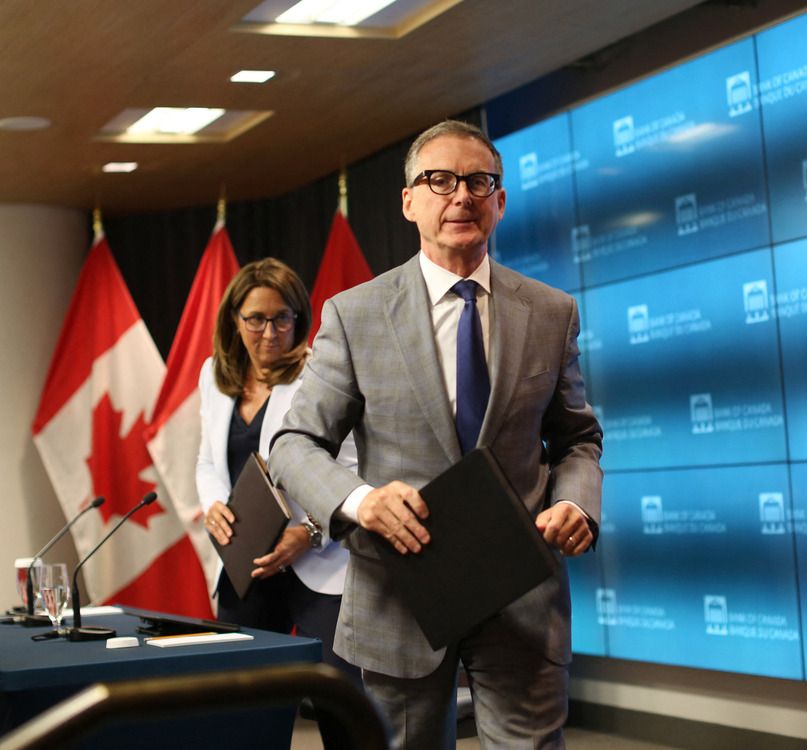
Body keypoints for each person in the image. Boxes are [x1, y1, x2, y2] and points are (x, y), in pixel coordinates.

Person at [268, 120, 603, 749]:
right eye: (439, 180)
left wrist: (574, 500)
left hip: (521, 593)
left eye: (480, 182)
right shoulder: (355, 313)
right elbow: (293, 443)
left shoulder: (552, 312)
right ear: (409, 201)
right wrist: (361, 502)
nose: (462, 196)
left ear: (500, 201)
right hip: (402, 591)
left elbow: (578, 439)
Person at [196, 257, 358, 685]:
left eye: (281, 318)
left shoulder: (322, 374)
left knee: (339, 707)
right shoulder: (213, 376)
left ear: (298, 318)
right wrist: (212, 504)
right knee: (245, 713)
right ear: (234, 319)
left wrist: (309, 533)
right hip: (246, 562)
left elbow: (353, 468)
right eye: (256, 319)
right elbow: (209, 461)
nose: (270, 333)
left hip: (318, 565)